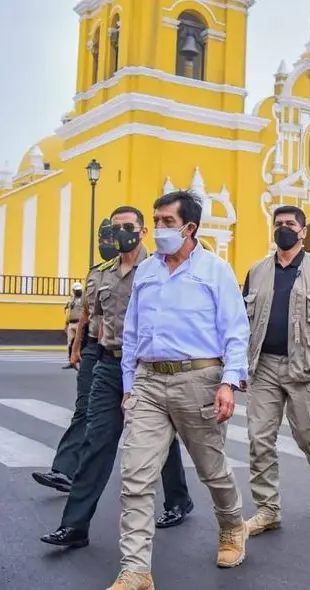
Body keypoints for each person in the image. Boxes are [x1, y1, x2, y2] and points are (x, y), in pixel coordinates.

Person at [110, 190, 251, 589]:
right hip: (150, 383)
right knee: (135, 477)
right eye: (156, 221)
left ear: (190, 227)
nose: (158, 230)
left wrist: (228, 382)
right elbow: (132, 333)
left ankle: (231, 526)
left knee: (212, 469)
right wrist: (128, 385)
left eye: (167, 222)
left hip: (199, 380)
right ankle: (136, 570)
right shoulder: (147, 272)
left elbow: (236, 331)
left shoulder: (216, 270)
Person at [40, 207, 192, 549]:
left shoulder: (158, 269)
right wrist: (81, 350)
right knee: (97, 442)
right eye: (115, 227)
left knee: (159, 442)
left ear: (141, 232)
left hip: (146, 369)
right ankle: (74, 525)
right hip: (109, 366)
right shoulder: (104, 273)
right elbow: (92, 318)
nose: (121, 232)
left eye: (129, 226)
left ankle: (179, 500)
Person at [241, 205, 310, 536]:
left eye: (290, 224)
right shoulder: (256, 271)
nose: (283, 228)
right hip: (264, 366)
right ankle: (267, 508)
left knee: (309, 436)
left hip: (305, 366)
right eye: (278, 224)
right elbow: (241, 320)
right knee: (259, 438)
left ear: (302, 231)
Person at [31, 221, 117, 493]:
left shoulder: (146, 269)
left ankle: (176, 496)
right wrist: (77, 346)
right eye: (101, 239)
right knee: (84, 409)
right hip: (94, 347)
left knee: (154, 425)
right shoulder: (97, 272)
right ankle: (64, 471)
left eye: (109, 238)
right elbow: (87, 314)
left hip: (127, 351)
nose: (105, 243)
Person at [63, 283, 84, 368]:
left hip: (80, 323)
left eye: (79, 290)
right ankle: (71, 361)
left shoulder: (83, 299)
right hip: (71, 323)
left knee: (81, 343)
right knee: (70, 343)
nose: (78, 291)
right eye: (76, 290)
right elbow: (68, 313)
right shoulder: (71, 300)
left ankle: (81, 361)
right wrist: (66, 324)